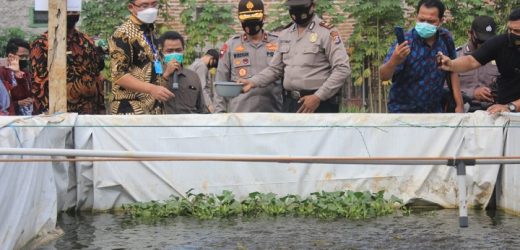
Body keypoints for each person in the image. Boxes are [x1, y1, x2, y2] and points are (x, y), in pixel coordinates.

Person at [238, 0, 350, 113]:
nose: (297, 12)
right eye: (293, 8)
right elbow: (275, 69)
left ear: (313, 6)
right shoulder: (285, 34)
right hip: (290, 103)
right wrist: (252, 82)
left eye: (301, 7)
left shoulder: (327, 32)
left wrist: (318, 97)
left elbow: (342, 69)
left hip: (319, 104)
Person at [379, 0, 463, 113]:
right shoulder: (405, 42)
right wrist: (394, 60)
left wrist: (459, 105)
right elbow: (383, 75)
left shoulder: (445, 38)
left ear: (441, 21)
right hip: (402, 113)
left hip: (434, 111)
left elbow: (453, 70)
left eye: (431, 21)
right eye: (421, 20)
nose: (425, 24)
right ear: (416, 17)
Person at [438, 8, 520, 114]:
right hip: (502, 111)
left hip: (510, 108)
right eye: (510, 29)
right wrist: (451, 64)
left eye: (517, 31)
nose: (512, 34)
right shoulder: (501, 42)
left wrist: (512, 107)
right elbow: (471, 61)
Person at [31, 0, 105, 115]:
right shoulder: (43, 43)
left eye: (74, 9)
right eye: (68, 9)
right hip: (59, 114)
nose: (71, 12)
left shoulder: (87, 41)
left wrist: (101, 108)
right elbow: (39, 83)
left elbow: (97, 76)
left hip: (89, 114)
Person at [215, 0, 282, 113]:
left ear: (263, 17)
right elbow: (221, 82)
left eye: (254, 18)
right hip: (240, 115)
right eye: (246, 19)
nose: (250, 23)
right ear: (240, 19)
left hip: (273, 114)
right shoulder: (231, 45)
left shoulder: (278, 43)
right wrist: (219, 114)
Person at [109, 0, 174, 115]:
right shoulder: (123, 34)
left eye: (154, 5)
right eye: (144, 5)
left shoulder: (150, 31)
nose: (151, 9)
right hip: (130, 109)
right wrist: (152, 89)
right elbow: (119, 75)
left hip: (153, 108)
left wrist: (165, 75)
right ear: (131, 7)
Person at [457, 16, 500, 112]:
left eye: (488, 41)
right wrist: (472, 93)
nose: (484, 45)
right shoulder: (456, 57)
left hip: (494, 111)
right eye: (481, 40)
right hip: (464, 110)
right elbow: (444, 88)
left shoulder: (500, 57)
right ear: (470, 34)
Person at [160, 31, 208, 114]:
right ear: (162, 52)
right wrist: (166, 75)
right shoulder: (154, 74)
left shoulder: (193, 76)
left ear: (183, 51)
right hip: (165, 124)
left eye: (178, 50)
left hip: (189, 124)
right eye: (169, 51)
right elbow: (150, 100)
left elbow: (201, 108)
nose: (174, 54)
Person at [1, 38, 34, 116]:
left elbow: (27, 94)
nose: (25, 59)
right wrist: (17, 103)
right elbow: (3, 101)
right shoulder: (2, 73)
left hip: (26, 117)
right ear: (10, 56)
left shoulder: (25, 73)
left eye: (27, 57)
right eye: (22, 56)